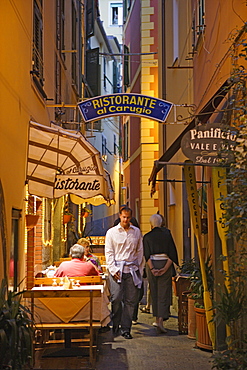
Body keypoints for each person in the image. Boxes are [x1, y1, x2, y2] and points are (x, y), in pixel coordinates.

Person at [105, 206, 143, 339]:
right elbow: (109, 253)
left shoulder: (136, 232)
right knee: (116, 298)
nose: (126, 219)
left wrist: (139, 269)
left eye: (128, 217)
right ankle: (115, 323)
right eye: (123, 217)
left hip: (132, 270)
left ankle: (126, 328)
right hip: (117, 270)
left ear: (131, 217)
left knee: (131, 301)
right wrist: (113, 269)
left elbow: (139, 251)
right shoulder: (111, 233)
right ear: (120, 216)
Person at [143, 214, 178, 334]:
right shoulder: (167, 234)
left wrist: (152, 269)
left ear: (151, 224)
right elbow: (172, 252)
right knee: (164, 293)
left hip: (152, 263)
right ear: (161, 223)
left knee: (154, 291)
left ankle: (156, 318)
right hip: (165, 263)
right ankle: (161, 320)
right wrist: (165, 268)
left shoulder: (147, 237)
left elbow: (146, 254)